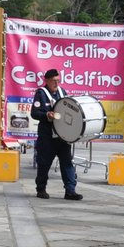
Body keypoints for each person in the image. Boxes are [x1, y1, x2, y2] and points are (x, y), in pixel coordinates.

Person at [29, 69, 83, 201]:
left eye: (58, 80)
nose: (56, 83)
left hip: (62, 136)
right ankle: (41, 189)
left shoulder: (62, 92)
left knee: (67, 163)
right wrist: (46, 115)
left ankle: (70, 191)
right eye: (54, 81)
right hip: (47, 137)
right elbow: (34, 113)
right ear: (46, 80)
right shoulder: (41, 93)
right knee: (44, 164)